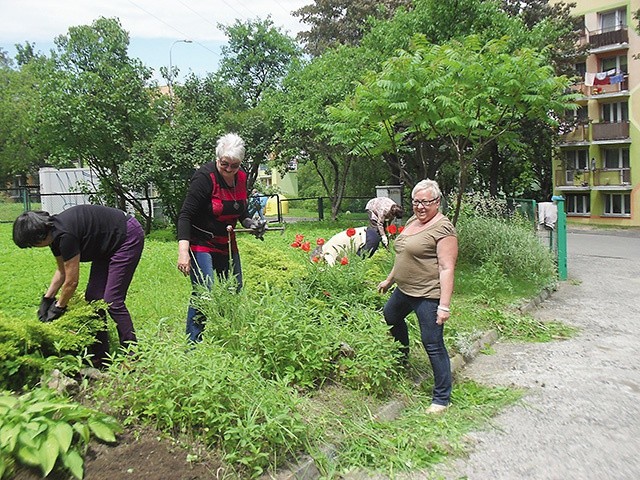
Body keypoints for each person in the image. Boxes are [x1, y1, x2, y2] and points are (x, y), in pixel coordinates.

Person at [12, 205, 145, 368]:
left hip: (126, 236)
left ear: (39, 236)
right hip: (105, 244)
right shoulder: (54, 235)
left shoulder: (65, 235)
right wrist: (47, 299)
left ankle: (133, 354)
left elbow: (72, 282)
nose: (34, 247)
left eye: (32, 244)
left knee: (112, 300)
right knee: (94, 299)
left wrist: (59, 307)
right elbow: (61, 271)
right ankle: (101, 354)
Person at [377, 179, 457, 414]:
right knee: (391, 315)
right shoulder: (414, 221)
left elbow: (446, 267)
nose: (420, 207)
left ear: (437, 202)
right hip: (405, 289)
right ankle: (402, 358)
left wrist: (444, 306)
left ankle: (442, 398)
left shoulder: (443, 228)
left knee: (432, 343)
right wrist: (390, 279)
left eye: (426, 202)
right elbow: (403, 254)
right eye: (416, 202)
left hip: (428, 294)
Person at [177, 133, 265, 342]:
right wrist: (183, 253)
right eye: (224, 164)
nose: (229, 169)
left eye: (234, 166)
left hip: (226, 242)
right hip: (201, 241)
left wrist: (252, 224)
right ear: (217, 159)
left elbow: (241, 212)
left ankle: (228, 336)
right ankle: (193, 343)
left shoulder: (241, 178)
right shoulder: (204, 177)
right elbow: (185, 215)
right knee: (204, 291)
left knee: (234, 288)